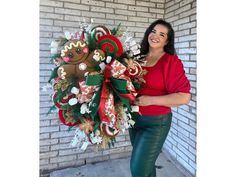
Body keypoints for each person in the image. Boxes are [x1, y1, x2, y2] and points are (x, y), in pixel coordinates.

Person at [129, 19, 191, 177]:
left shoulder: (171, 61)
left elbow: (184, 97)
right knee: (146, 168)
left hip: (156, 123)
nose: (155, 36)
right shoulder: (137, 58)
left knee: (138, 170)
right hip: (133, 119)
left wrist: (150, 100)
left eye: (162, 34)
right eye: (153, 31)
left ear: (167, 40)